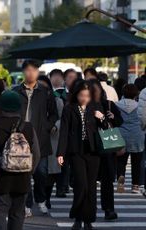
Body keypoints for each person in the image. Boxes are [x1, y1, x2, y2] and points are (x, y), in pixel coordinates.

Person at [0, 90, 41, 230]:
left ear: (1, 106)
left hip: (0, 177)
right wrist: (29, 170)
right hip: (22, 177)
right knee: (17, 213)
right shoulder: (28, 127)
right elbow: (37, 153)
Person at [57, 81, 106, 230]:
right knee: (80, 185)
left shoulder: (96, 107)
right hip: (76, 152)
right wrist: (61, 153)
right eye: (81, 95)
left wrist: (102, 118)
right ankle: (77, 217)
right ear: (76, 94)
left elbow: (106, 127)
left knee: (91, 188)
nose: (84, 98)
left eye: (87, 96)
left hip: (93, 152)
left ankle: (88, 220)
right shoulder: (69, 109)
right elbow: (64, 131)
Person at [13, 60, 58, 216]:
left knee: (41, 172)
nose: (31, 73)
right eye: (28, 70)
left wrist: (47, 126)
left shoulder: (45, 92)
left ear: (38, 72)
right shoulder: (16, 91)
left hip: (40, 138)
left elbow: (54, 114)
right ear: (23, 72)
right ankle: (27, 204)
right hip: (20, 138)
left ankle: (41, 199)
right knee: (24, 174)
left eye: (34, 70)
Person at [89, 79, 123, 220]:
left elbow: (120, 121)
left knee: (107, 179)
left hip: (107, 145)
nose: (95, 93)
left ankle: (109, 208)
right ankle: (91, 208)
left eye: (97, 90)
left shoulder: (108, 104)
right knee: (90, 180)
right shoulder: (84, 106)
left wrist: (112, 117)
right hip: (90, 146)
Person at [38, 75, 63, 207]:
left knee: (51, 171)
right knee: (39, 171)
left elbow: (62, 118)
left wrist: (55, 126)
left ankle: (46, 197)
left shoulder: (57, 101)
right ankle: (39, 196)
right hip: (36, 139)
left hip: (52, 138)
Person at [116, 84, 145, 194]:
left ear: (123, 93)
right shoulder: (139, 105)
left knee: (121, 161)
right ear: (136, 94)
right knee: (136, 162)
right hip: (137, 135)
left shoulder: (117, 105)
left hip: (121, 134)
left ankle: (120, 183)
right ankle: (135, 186)